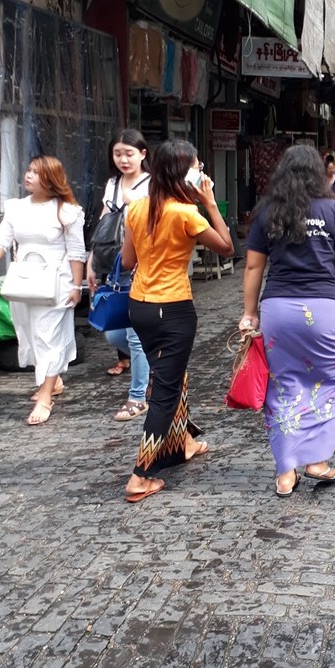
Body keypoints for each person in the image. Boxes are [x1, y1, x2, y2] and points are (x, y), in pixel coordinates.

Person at [238, 145, 335, 496]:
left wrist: (250, 313)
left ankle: (285, 472)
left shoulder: (267, 212)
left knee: (282, 388)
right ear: (320, 173)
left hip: (278, 311)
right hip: (324, 310)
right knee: (331, 384)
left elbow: (252, 267)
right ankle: (317, 462)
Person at [121, 140, 233, 503]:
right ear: (183, 172)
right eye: (198, 166)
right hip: (173, 309)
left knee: (172, 374)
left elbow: (126, 261)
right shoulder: (187, 213)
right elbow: (227, 247)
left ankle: (182, 441)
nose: (202, 172)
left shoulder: (136, 209)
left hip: (139, 305)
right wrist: (211, 203)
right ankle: (140, 475)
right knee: (166, 390)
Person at [0, 156, 86, 426]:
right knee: (29, 333)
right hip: (24, 280)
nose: (28, 175)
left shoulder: (67, 211)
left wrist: (77, 286)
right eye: (28, 170)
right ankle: (53, 380)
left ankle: (45, 397)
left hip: (57, 281)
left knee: (48, 335)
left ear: (51, 179)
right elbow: (1, 243)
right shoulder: (16, 208)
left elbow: (76, 253)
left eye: (36, 173)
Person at [87, 129, 152, 420]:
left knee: (135, 335)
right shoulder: (112, 184)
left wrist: (132, 202)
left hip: (142, 266)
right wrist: (92, 260)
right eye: (117, 153)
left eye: (129, 153)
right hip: (115, 266)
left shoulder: (151, 184)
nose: (123, 159)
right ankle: (157, 366)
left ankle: (137, 396)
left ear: (143, 154)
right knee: (114, 333)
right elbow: (104, 223)